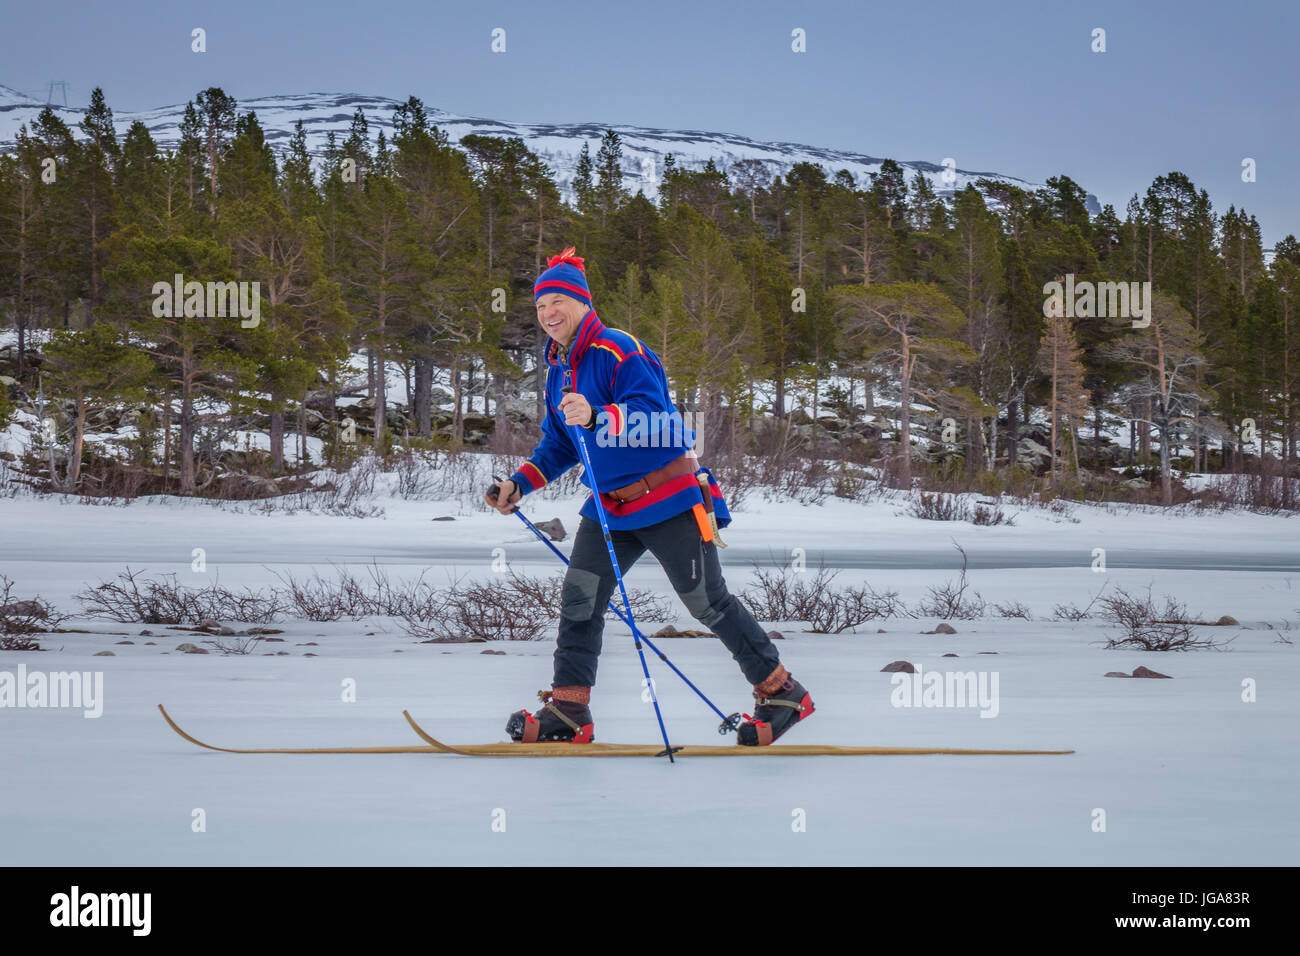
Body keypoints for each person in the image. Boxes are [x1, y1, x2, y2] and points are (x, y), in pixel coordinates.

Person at [485, 247, 814, 746]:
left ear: (581, 303)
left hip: (667, 497)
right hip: (608, 507)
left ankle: (782, 692)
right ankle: (569, 711)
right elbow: (558, 445)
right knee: (580, 600)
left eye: (557, 301)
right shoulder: (558, 371)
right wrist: (518, 484)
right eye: (539, 305)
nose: (548, 313)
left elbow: (660, 423)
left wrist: (598, 416)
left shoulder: (621, 350)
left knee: (705, 602)